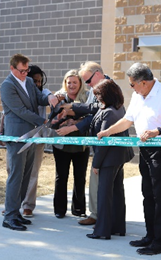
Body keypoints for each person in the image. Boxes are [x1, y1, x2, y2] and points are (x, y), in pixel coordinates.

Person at [97, 63, 161, 255]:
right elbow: (128, 120)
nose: (131, 89)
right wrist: (108, 131)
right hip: (146, 148)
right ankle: (151, 236)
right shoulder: (139, 95)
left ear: (143, 82)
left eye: (132, 85)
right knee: (148, 194)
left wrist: (156, 131)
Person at [57, 79, 134, 239]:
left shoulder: (110, 113)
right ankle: (117, 227)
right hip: (118, 157)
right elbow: (90, 110)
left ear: (106, 94)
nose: (96, 98)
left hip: (109, 158)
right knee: (117, 193)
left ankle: (102, 231)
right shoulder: (115, 108)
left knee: (104, 194)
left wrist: (96, 164)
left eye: (98, 95)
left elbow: (103, 142)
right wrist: (71, 109)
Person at [0, 54, 58, 231]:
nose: (25, 74)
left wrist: (50, 98)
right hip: (18, 136)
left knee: (26, 175)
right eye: (22, 71)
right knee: (16, 176)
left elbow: (38, 98)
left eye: (27, 70)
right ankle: (9, 216)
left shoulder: (30, 82)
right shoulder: (7, 86)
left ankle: (16, 213)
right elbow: (20, 110)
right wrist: (43, 121)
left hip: (32, 135)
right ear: (12, 69)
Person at [61, 61, 110, 226]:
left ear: (97, 74)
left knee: (104, 182)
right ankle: (98, 215)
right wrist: (72, 109)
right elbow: (90, 108)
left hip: (106, 144)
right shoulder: (96, 89)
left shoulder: (107, 89)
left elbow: (92, 113)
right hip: (97, 143)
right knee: (96, 181)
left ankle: (102, 217)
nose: (87, 85)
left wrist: (73, 126)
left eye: (87, 81)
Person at [52, 69, 92, 219]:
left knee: (80, 176)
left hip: (81, 144)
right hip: (61, 144)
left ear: (80, 83)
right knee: (61, 176)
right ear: (65, 83)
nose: (72, 85)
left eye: (75, 82)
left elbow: (90, 116)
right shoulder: (59, 97)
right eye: (69, 82)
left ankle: (79, 209)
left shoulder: (87, 97)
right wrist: (66, 120)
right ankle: (59, 209)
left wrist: (75, 121)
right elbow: (54, 119)